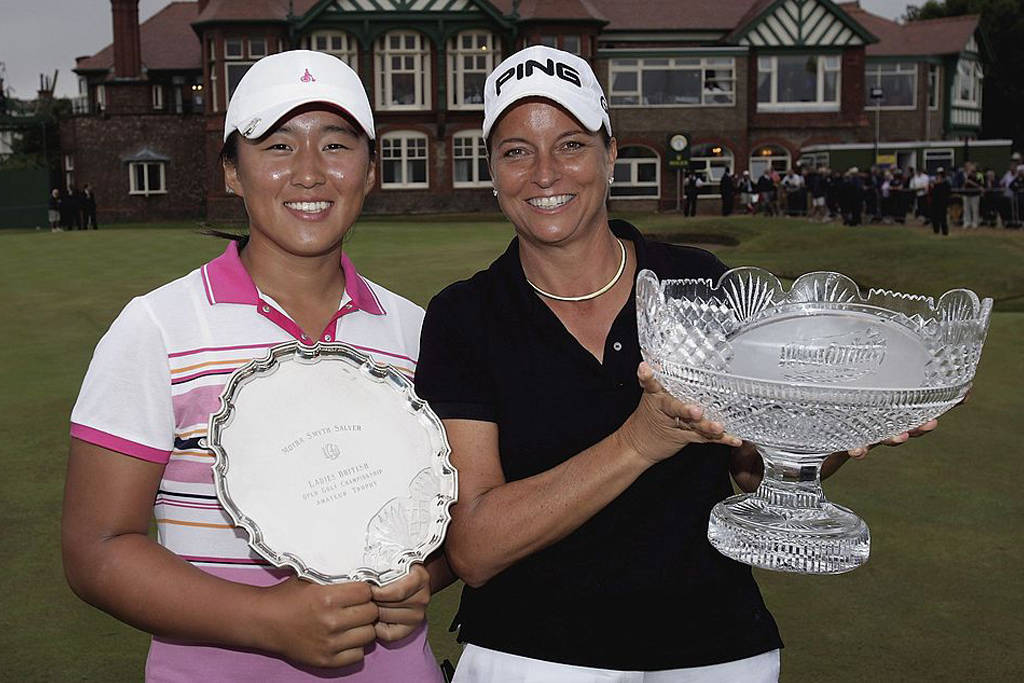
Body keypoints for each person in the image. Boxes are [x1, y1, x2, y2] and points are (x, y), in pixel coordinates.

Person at [415, 46, 935, 683]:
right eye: (516, 150)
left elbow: (751, 467)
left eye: (571, 144)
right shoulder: (465, 316)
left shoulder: (699, 283)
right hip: (531, 652)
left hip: (717, 647)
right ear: (492, 169)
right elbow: (474, 547)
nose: (545, 173)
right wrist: (640, 440)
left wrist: (835, 428)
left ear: (610, 154)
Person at [62, 50, 449, 681]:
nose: (308, 173)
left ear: (370, 170)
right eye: (275, 147)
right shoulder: (156, 329)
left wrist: (422, 578)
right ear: (232, 172)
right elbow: (96, 549)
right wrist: (267, 619)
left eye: (336, 145)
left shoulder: (416, 331)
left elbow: (447, 519)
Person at [931, 168, 951, 235]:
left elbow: (948, 193)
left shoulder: (946, 183)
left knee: (943, 218)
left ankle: (944, 231)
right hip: (935, 202)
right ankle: (936, 230)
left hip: (943, 202)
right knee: (935, 217)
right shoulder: (935, 184)